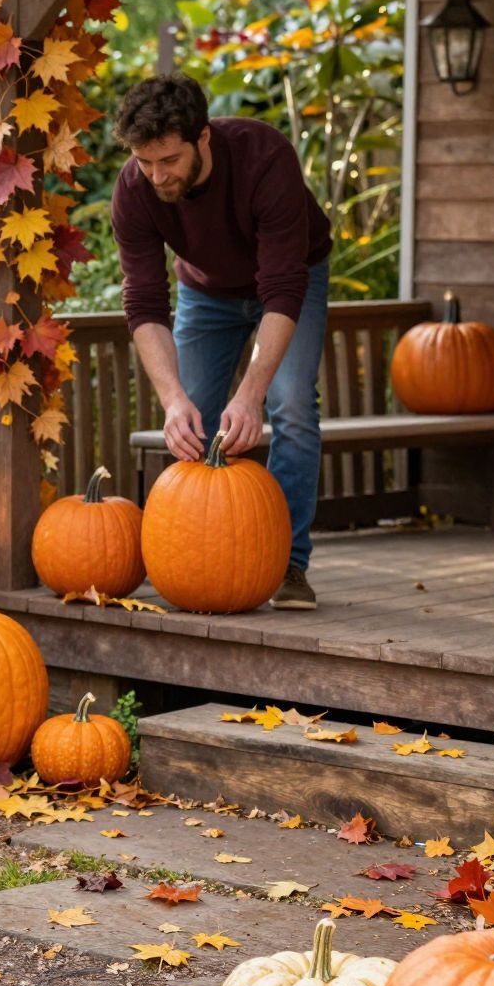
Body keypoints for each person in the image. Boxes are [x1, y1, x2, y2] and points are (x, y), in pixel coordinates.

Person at [111, 74, 332, 609]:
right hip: (206, 292)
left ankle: (288, 567)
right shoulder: (134, 188)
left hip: (292, 276)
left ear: (202, 138)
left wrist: (253, 391)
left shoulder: (263, 157)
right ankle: (191, 563)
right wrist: (172, 400)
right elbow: (144, 302)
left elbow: (281, 288)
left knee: (291, 404)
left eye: (168, 160)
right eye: (146, 162)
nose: (157, 176)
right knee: (191, 423)